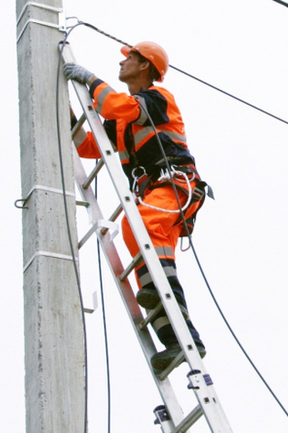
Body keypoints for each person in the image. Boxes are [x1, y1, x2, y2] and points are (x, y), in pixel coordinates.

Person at [63, 41, 208, 371]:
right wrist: (65, 108)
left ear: (145, 66)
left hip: (175, 186)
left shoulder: (158, 99)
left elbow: (116, 106)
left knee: (139, 225)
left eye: (130, 57)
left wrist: (89, 80)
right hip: (158, 194)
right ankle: (180, 340)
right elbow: (89, 146)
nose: (124, 62)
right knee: (137, 235)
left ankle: (160, 293)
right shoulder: (123, 122)